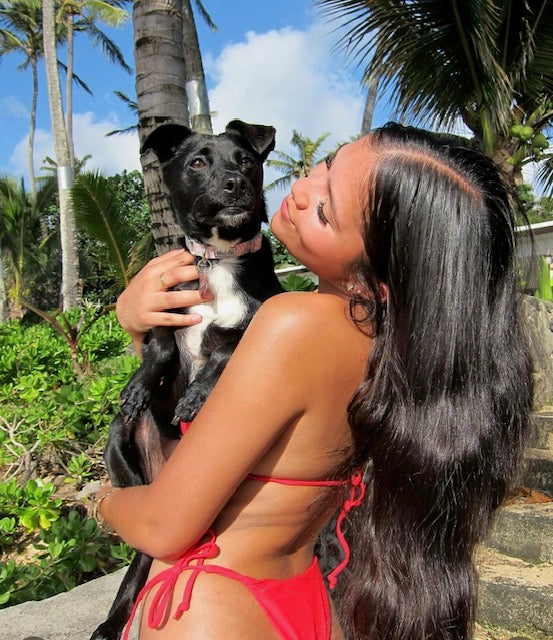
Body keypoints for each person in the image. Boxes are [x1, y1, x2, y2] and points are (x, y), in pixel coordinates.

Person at [94, 123, 533, 640]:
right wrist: (137, 326)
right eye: (325, 165)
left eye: (326, 210)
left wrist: (100, 500)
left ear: (380, 275)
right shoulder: (384, 349)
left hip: (211, 606)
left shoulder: (291, 324)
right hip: (304, 601)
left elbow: (163, 526)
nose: (299, 192)